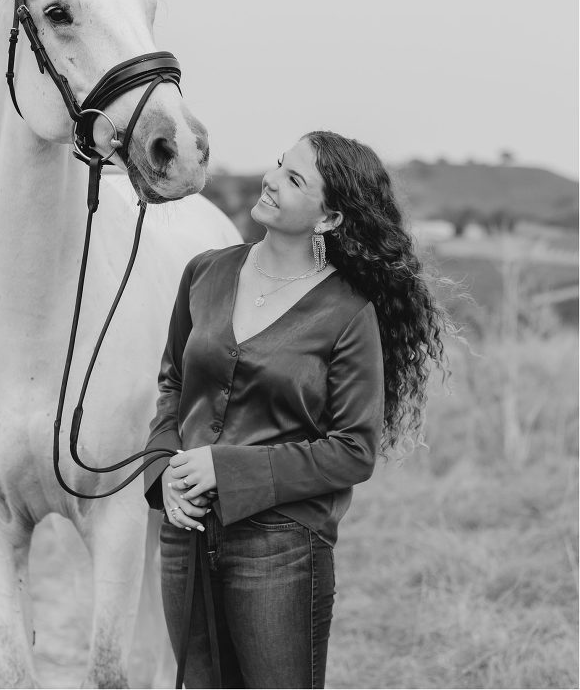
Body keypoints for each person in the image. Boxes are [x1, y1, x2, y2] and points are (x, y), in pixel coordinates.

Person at [144, 130, 450, 689]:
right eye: (280, 164)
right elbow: (172, 383)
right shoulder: (205, 272)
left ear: (329, 219)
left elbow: (353, 451)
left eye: (295, 179)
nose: (271, 179)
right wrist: (164, 470)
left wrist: (225, 466)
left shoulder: (348, 313)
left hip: (280, 550)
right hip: (185, 536)